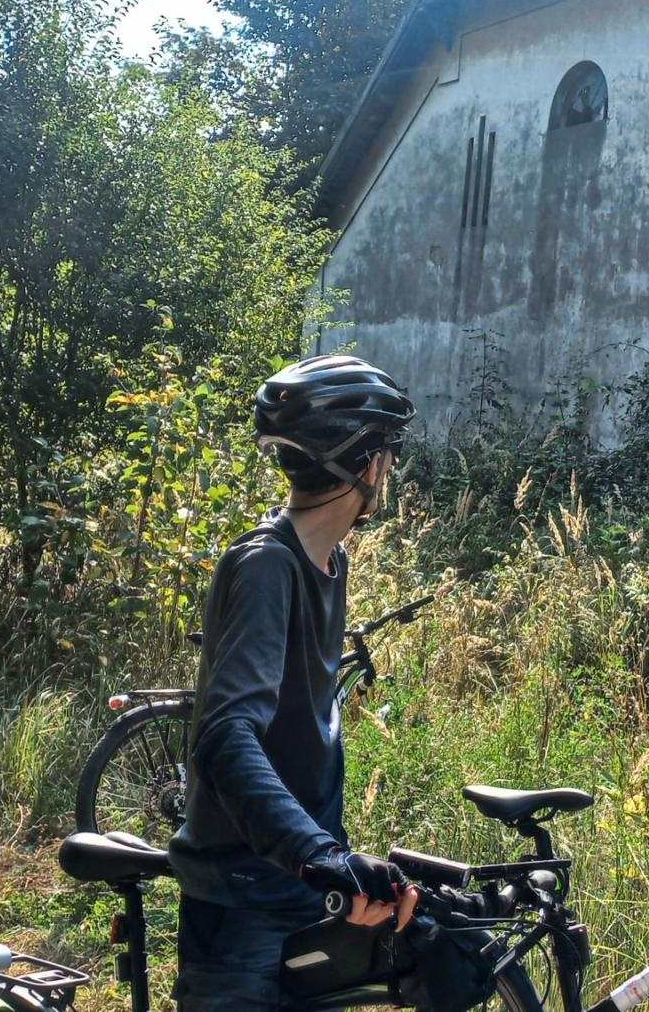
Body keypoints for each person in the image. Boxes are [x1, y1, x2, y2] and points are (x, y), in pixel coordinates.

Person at [168, 354, 421, 1011]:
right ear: (369, 465)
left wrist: (333, 868)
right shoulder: (265, 566)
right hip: (244, 907)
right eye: (388, 456)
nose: (388, 471)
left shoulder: (325, 561)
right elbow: (226, 735)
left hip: (297, 893)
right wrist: (319, 854)